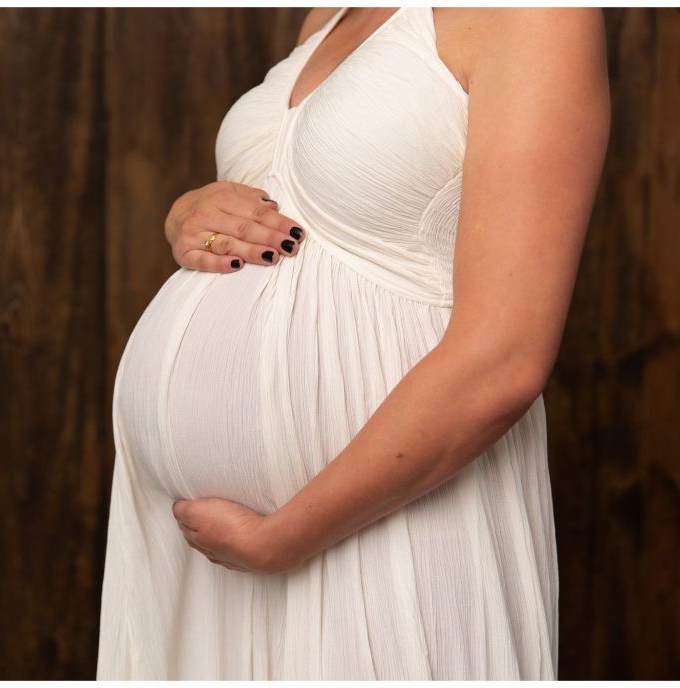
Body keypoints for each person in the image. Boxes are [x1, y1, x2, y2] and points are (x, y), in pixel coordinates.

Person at [97, 6, 609, 680]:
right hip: (207, 557)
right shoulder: (329, 14)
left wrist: (285, 537)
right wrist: (190, 213)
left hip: (378, 527)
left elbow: (504, 359)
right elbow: (301, 211)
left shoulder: (537, 15)